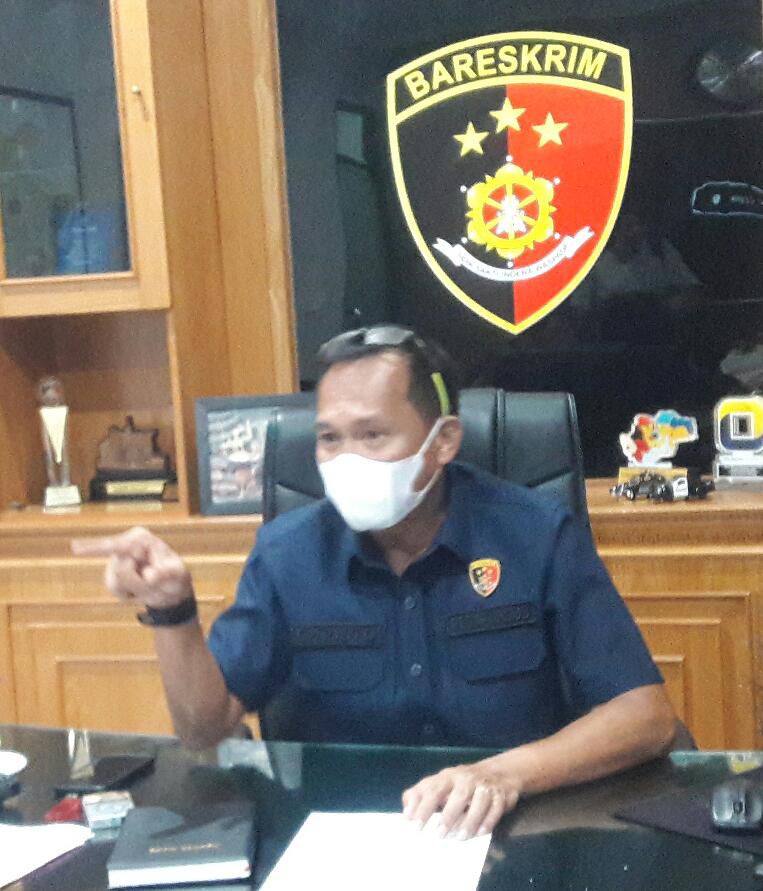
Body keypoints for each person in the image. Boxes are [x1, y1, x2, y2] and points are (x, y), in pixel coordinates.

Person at [72, 324, 675, 840]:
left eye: (372, 436)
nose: (346, 460)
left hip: (513, 831)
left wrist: (503, 774)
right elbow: (204, 729)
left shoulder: (536, 534)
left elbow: (645, 716)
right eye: (329, 438)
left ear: (443, 442)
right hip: (339, 840)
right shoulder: (287, 554)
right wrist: (173, 613)